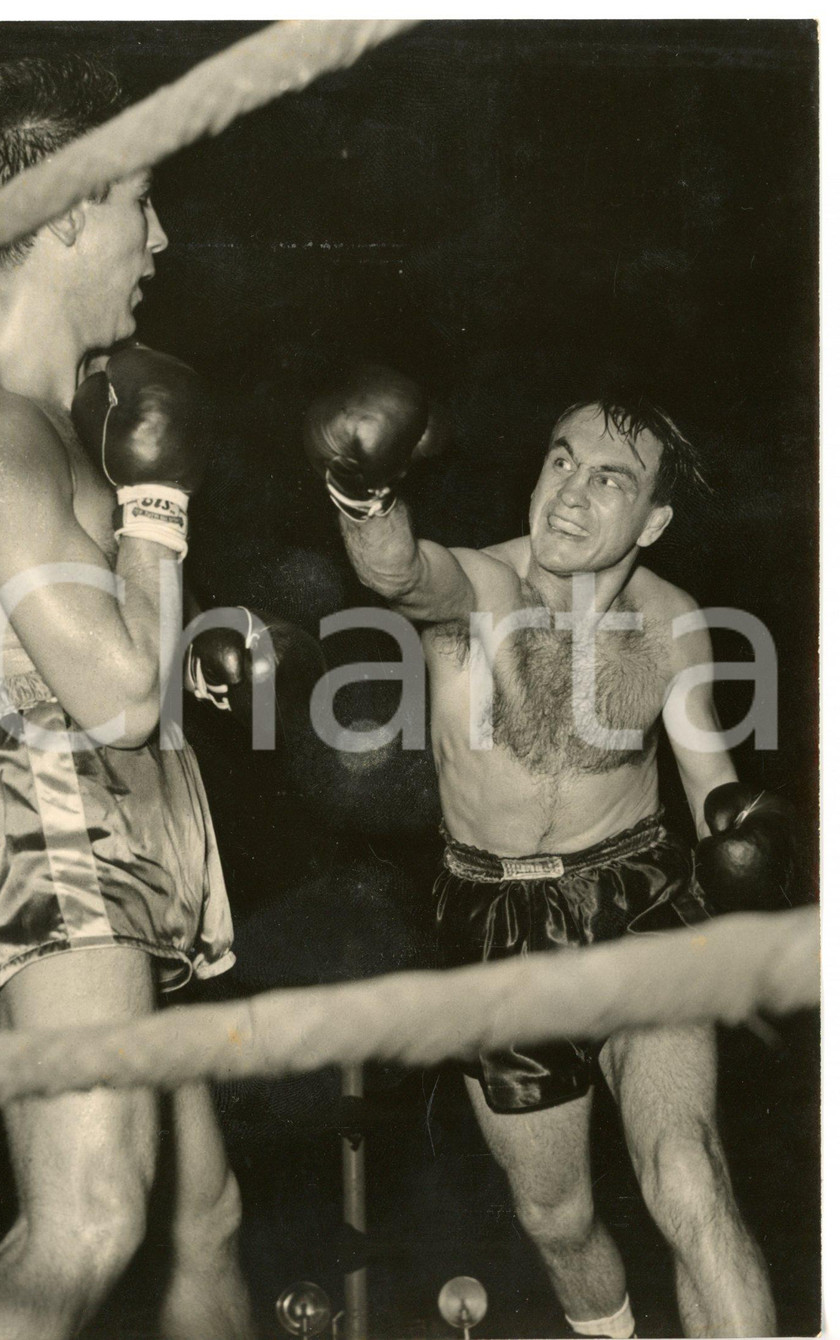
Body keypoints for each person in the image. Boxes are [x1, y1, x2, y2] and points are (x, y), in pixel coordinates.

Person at [304, 367, 791, 1338]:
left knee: (686, 1169)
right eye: (561, 459)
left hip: (638, 897)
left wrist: (747, 836)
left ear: (652, 519)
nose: (571, 487)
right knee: (556, 1219)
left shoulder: (673, 621)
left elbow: (708, 786)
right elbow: (397, 570)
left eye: (611, 477)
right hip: (497, 921)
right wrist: (363, 492)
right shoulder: (482, 588)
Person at [0, 56, 255, 1340]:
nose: (159, 239)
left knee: (198, 1218)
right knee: (89, 1219)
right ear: (63, 212)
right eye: (140, 203)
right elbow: (108, 695)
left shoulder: (67, 413)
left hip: (120, 812)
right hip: (53, 814)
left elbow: (127, 656)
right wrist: (159, 506)